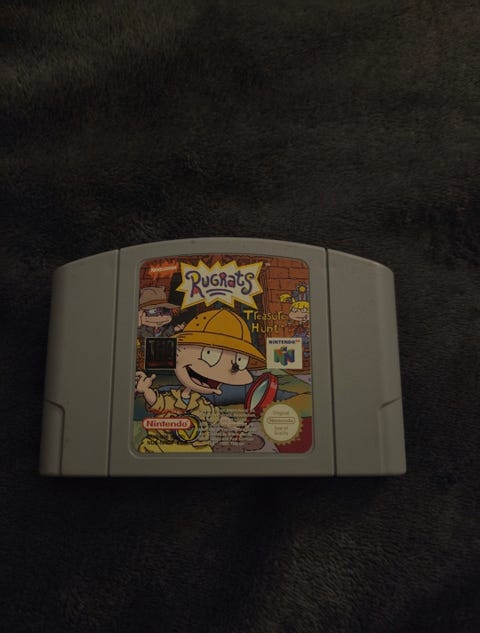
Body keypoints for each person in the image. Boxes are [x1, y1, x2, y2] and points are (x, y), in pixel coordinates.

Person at [135, 308, 265, 453]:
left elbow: (218, 418)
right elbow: (155, 401)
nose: (216, 374)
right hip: (163, 447)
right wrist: (145, 390)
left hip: (198, 449)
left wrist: (234, 425)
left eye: (238, 362)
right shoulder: (170, 398)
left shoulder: (202, 404)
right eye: (209, 354)